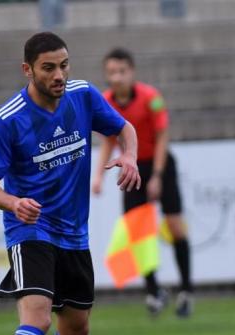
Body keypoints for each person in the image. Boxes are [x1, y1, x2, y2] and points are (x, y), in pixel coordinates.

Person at [0, 32, 140, 335]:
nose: (59, 74)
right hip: (30, 230)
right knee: (37, 316)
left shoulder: (82, 95)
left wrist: (129, 156)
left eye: (63, 65)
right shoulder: (6, 120)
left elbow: (125, 128)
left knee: (77, 328)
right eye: (49, 67)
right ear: (28, 69)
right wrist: (13, 203)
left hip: (74, 234)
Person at [92, 47, 194, 318]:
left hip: (160, 165)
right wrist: (99, 176)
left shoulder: (151, 98)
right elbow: (110, 141)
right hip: (132, 167)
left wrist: (158, 176)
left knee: (174, 226)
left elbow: (162, 137)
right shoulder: (105, 101)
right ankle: (153, 292)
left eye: (121, 71)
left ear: (132, 71)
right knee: (138, 232)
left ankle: (186, 290)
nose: (117, 77)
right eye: (112, 72)